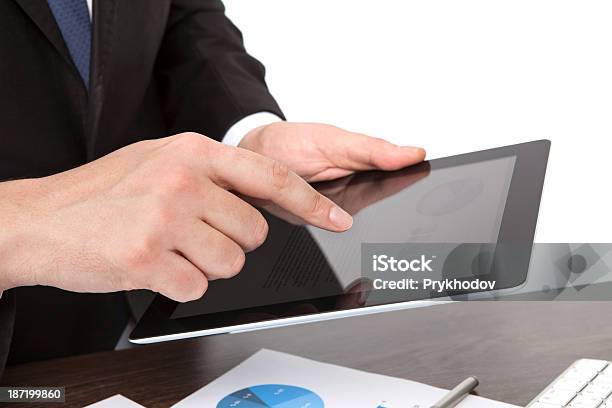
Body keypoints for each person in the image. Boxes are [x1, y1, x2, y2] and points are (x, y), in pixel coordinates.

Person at [0, 0, 426, 368]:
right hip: (21, 361)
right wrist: (22, 223)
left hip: (168, 328)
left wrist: (246, 134)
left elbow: (180, 20)